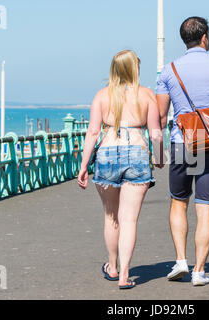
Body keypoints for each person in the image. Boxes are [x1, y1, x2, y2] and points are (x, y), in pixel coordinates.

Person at [156, 17, 209, 287]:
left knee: (178, 202)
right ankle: (199, 270)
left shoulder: (168, 72)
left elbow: (160, 116)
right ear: (205, 37)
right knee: (205, 208)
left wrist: (158, 151)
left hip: (182, 144)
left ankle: (181, 260)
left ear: (184, 39)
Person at [77, 50, 163, 290]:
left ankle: (112, 267)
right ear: (135, 69)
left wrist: (84, 166)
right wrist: (158, 158)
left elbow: (93, 132)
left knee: (111, 216)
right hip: (136, 152)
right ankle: (125, 275)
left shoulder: (102, 96)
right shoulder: (146, 95)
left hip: (107, 153)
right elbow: (155, 132)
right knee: (129, 219)